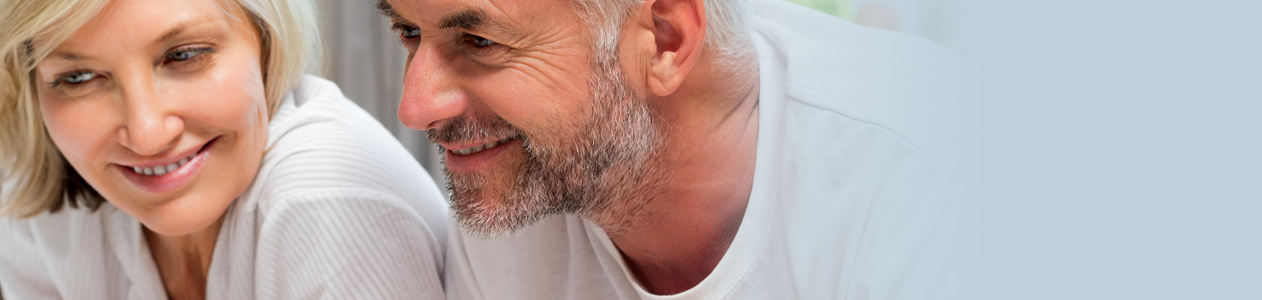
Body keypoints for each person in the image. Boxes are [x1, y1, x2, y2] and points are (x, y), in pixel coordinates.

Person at [377, 0, 966, 298]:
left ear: (666, 40)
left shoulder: (927, 181)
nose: (416, 106)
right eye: (408, 31)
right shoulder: (518, 182)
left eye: (479, 41)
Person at [0, 0, 453, 299]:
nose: (147, 134)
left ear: (265, 41)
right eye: (77, 78)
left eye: (184, 55)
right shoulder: (52, 197)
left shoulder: (328, 204)